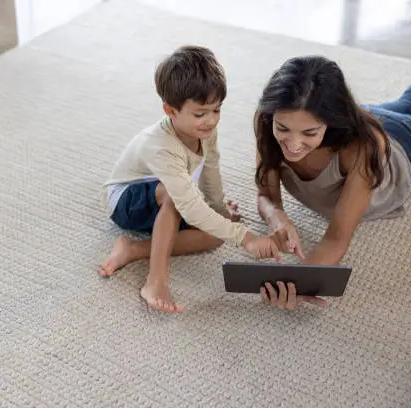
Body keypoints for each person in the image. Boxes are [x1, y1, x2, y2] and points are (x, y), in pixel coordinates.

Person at [98, 45, 281, 313]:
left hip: (166, 193)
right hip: (126, 201)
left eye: (217, 110)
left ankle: (134, 249)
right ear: (170, 110)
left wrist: (219, 211)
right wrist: (246, 237)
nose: (211, 120)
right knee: (177, 199)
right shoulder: (159, 145)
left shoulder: (205, 130)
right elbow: (190, 206)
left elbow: (211, 168)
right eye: (200, 113)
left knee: (215, 236)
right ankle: (155, 280)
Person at [254, 55, 411, 310]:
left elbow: (336, 238)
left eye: (309, 133)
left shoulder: (360, 150)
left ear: (329, 122)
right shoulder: (268, 119)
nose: (292, 144)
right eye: (283, 129)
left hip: (406, 148)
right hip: (368, 118)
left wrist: (301, 282)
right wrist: (275, 216)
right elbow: (266, 195)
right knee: (409, 101)